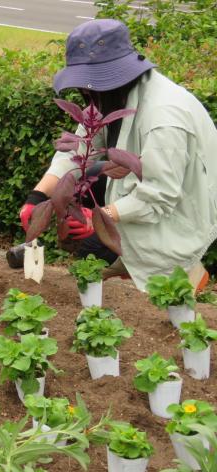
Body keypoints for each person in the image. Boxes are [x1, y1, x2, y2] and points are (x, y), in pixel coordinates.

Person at [19, 19, 217, 291]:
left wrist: (98, 219)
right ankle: (133, 267)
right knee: (90, 233)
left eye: (93, 85)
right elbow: (78, 150)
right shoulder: (109, 96)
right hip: (142, 187)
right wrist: (37, 197)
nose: (87, 93)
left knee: (109, 254)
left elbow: (160, 193)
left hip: (179, 204)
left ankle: (190, 277)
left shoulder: (165, 116)